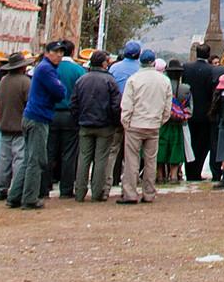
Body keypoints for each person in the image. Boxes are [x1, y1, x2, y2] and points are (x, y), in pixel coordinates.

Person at [10, 41, 66, 209]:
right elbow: (59, 92)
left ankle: (15, 196)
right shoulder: (46, 69)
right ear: (47, 53)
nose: (59, 55)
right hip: (38, 118)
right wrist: (60, 88)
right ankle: (29, 198)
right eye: (56, 52)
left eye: (61, 52)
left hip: (31, 116)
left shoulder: (42, 68)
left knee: (28, 159)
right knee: (36, 160)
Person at [119, 48, 169, 203]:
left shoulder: (134, 79)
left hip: (135, 124)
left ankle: (130, 193)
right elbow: (167, 106)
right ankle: (149, 193)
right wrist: (161, 121)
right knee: (151, 161)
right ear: (153, 62)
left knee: (132, 160)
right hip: (153, 124)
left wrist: (126, 122)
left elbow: (127, 104)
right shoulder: (164, 81)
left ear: (140, 62)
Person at [71, 50, 120, 201]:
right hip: (105, 125)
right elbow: (115, 105)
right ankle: (97, 192)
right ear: (104, 63)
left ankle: (79, 192)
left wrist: (78, 119)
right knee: (101, 159)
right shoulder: (110, 81)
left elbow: (74, 103)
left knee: (84, 158)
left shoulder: (81, 80)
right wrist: (115, 122)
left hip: (85, 124)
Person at [0, 53, 30, 201]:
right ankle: (17, 189)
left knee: (4, 159)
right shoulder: (26, 82)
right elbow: (29, 103)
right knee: (20, 159)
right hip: (19, 125)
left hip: (5, 123)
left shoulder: (3, 81)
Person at [48, 41, 83, 199]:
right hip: (70, 115)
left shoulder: (51, 68)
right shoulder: (78, 70)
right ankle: (66, 188)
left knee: (49, 151)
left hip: (51, 113)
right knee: (69, 153)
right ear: (73, 51)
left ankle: (44, 186)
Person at [181, 43, 217, 182]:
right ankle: (196, 171)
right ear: (208, 54)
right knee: (202, 145)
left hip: (189, 112)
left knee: (189, 143)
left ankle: (189, 171)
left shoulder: (186, 68)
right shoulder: (211, 70)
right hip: (205, 114)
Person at [156, 60, 188, 184]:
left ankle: (160, 175)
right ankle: (174, 175)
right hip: (177, 124)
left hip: (162, 122)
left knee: (161, 147)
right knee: (176, 148)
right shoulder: (185, 89)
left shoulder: (161, 86)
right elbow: (189, 109)